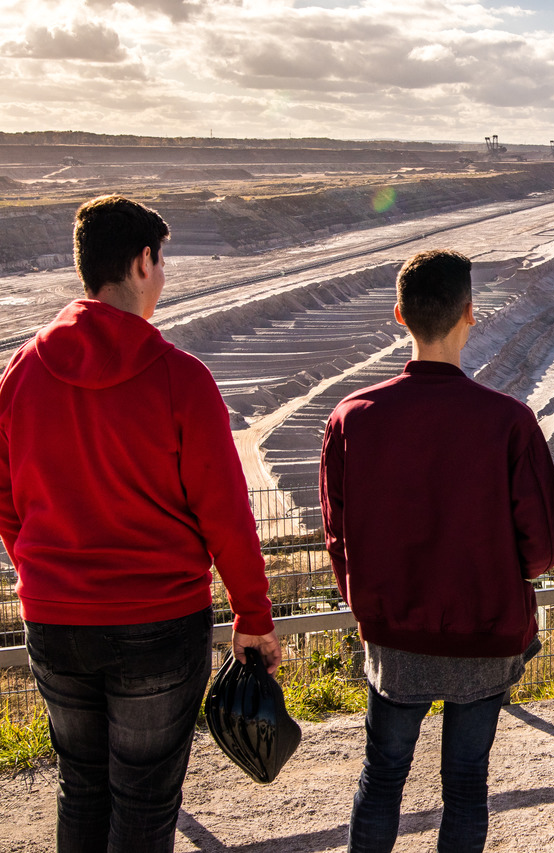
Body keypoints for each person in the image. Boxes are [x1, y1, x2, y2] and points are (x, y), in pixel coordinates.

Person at [0, 195, 280, 853]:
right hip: (158, 621)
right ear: (142, 261)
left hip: (56, 621)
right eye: (163, 261)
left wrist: (44, 571)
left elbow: (6, 501)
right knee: (145, 805)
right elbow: (225, 514)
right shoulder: (182, 379)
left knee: (82, 788)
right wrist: (253, 613)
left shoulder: (20, 375)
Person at [320, 249, 554, 853]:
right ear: (470, 314)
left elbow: (338, 535)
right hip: (483, 630)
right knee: (465, 785)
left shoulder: (353, 418)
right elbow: (543, 546)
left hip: (396, 632)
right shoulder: (507, 421)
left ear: (399, 315)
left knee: (381, 780)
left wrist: (370, 605)